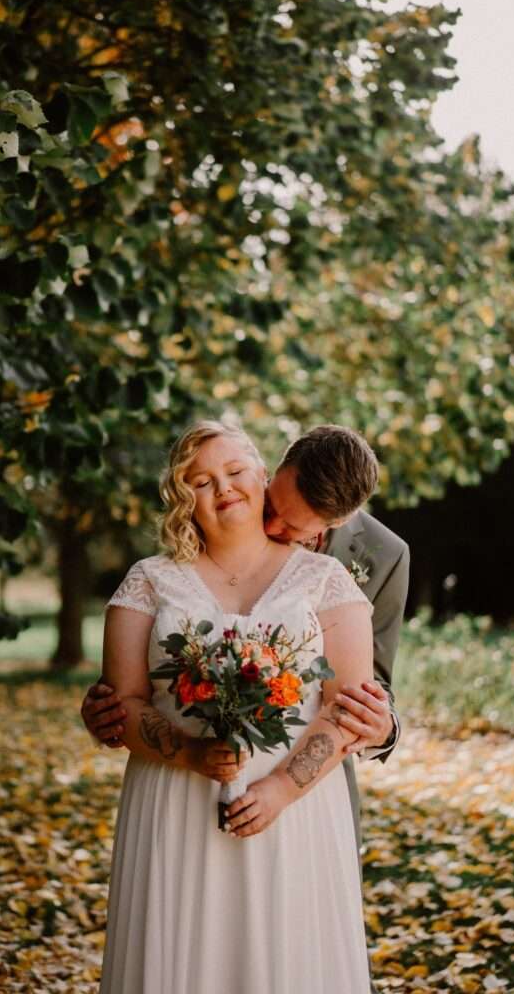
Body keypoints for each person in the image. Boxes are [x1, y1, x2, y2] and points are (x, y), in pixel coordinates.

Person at [98, 420, 375, 993]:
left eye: (233, 471)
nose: (221, 487)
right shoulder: (149, 582)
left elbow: (346, 708)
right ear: (183, 499)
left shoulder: (327, 581)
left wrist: (281, 790)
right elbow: (122, 702)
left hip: (296, 809)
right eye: (199, 481)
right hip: (175, 797)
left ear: (263, 475)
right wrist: (191, 754)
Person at [83, 424, 410, 853]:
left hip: (305, 788)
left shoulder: (381, 557)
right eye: (272, 503)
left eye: (291, 524)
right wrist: (117, 713)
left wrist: (383, 727)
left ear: (337, 523)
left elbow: (370, 688)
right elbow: (134, 684)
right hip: (180, 791)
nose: (269, 524)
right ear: (271, 471)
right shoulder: (161, 571)